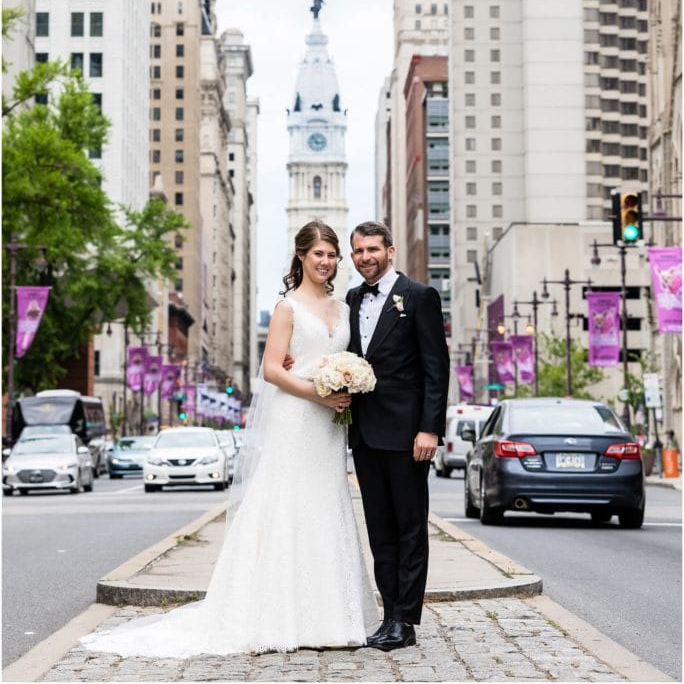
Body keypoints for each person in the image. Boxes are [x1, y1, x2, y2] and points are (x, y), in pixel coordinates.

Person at [81, 220, 377, 656]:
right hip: (299, 417)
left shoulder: (345, 309)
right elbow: (273, 370)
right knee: (289, 503)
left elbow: (344, 356)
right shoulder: (287, 308)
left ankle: (332, 616)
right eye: (318, 254)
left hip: (330, 427)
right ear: (301, 256)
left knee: (326, 503)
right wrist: (320, 393)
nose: (326, 262)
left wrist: (347, 384)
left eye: (332, 255)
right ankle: (281, 615)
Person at [346, 221, 450, 652]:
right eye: (358, 251)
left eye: (372, 249)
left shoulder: (420, 297)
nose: (365, 257)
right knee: (379, 529)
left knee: (409, 528)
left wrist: (430, 428)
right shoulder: (351, 299)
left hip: (409, 435)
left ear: (391, 251)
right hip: (365, 435)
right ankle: (387, 611)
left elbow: (435, 368)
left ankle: (405, 621)